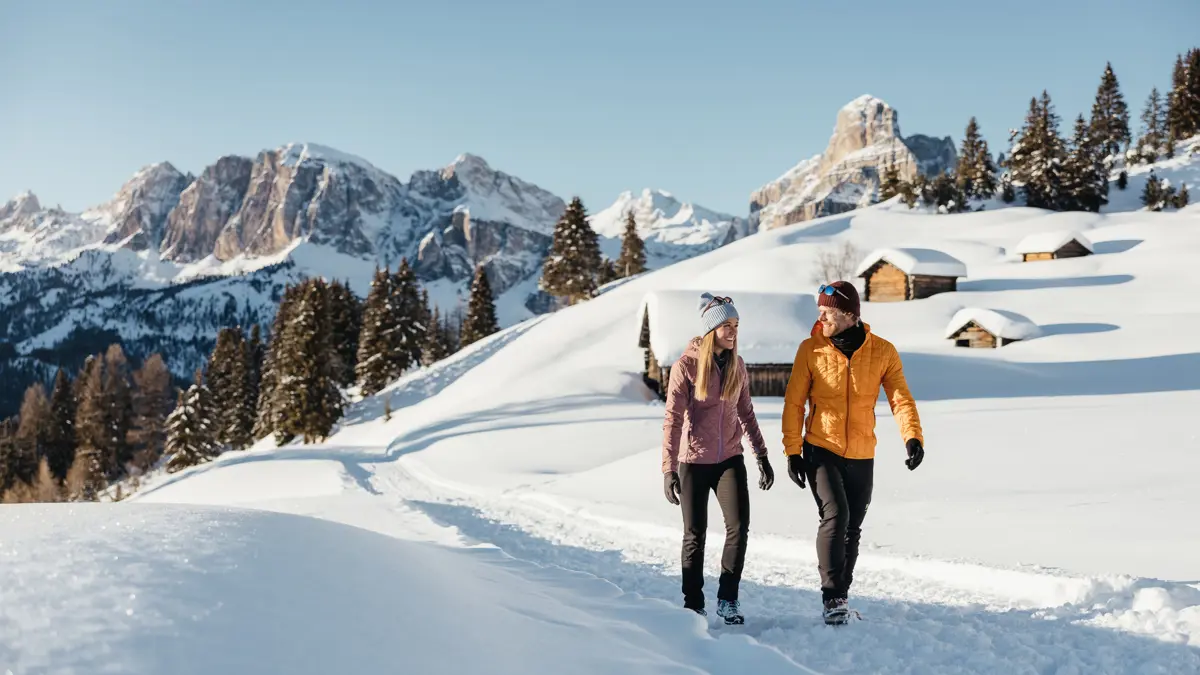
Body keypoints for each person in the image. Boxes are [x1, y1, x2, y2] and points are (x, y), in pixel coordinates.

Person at [781, 280, 925, 625]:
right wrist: (792, 450)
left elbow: (900, 398)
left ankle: (841, 595)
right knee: (836, 516)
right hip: (820, 447)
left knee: (853, 527)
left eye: (827, 312)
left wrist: (913, 437)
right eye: (820, 311)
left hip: (862, 451)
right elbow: (794, 401)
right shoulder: (810, 350)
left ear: (848, 314)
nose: (821, 318)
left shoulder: (883, 351)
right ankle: (831, 597)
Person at [661, 292, 774, 625]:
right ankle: (693, 604)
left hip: (730, 460)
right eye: (726, 325)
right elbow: (673, 419)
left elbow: (746, 412)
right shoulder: (687, 367)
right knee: (695, 534)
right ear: (711, 329)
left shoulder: (738, 365)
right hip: (694, 461)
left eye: (736, 325)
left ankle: (728, 599)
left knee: (738, 528)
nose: (733, 331)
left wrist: (762, 454)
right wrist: (669, 469)